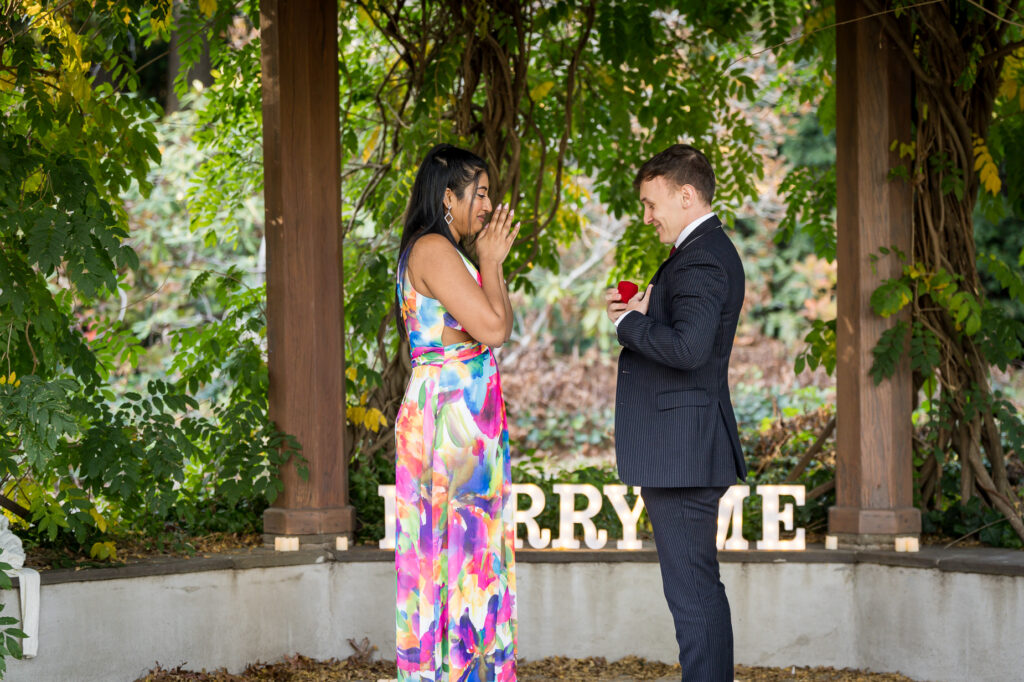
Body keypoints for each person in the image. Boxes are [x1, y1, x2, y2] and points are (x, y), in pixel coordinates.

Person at [605, 144, 746, 682]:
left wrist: (627, 325)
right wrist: (648, 312)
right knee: (694, 588)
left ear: (685, 195)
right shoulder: (700, 252)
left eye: (650, 203)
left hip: (685, 452)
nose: (646, 217)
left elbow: (689, 351)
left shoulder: (703, 256)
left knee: (692, 593)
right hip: (682, 449)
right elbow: (691, 338)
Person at [393, 143, 520, 681]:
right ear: (449, 197)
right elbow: (492, 330)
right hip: (450, 422)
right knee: (459, 557)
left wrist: (490, 266)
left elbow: (499, 324)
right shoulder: (434, 250)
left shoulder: (449, 252)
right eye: (481, 193)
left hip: (463, 419)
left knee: (470, 556)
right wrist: (490, 262)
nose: (489, 205)